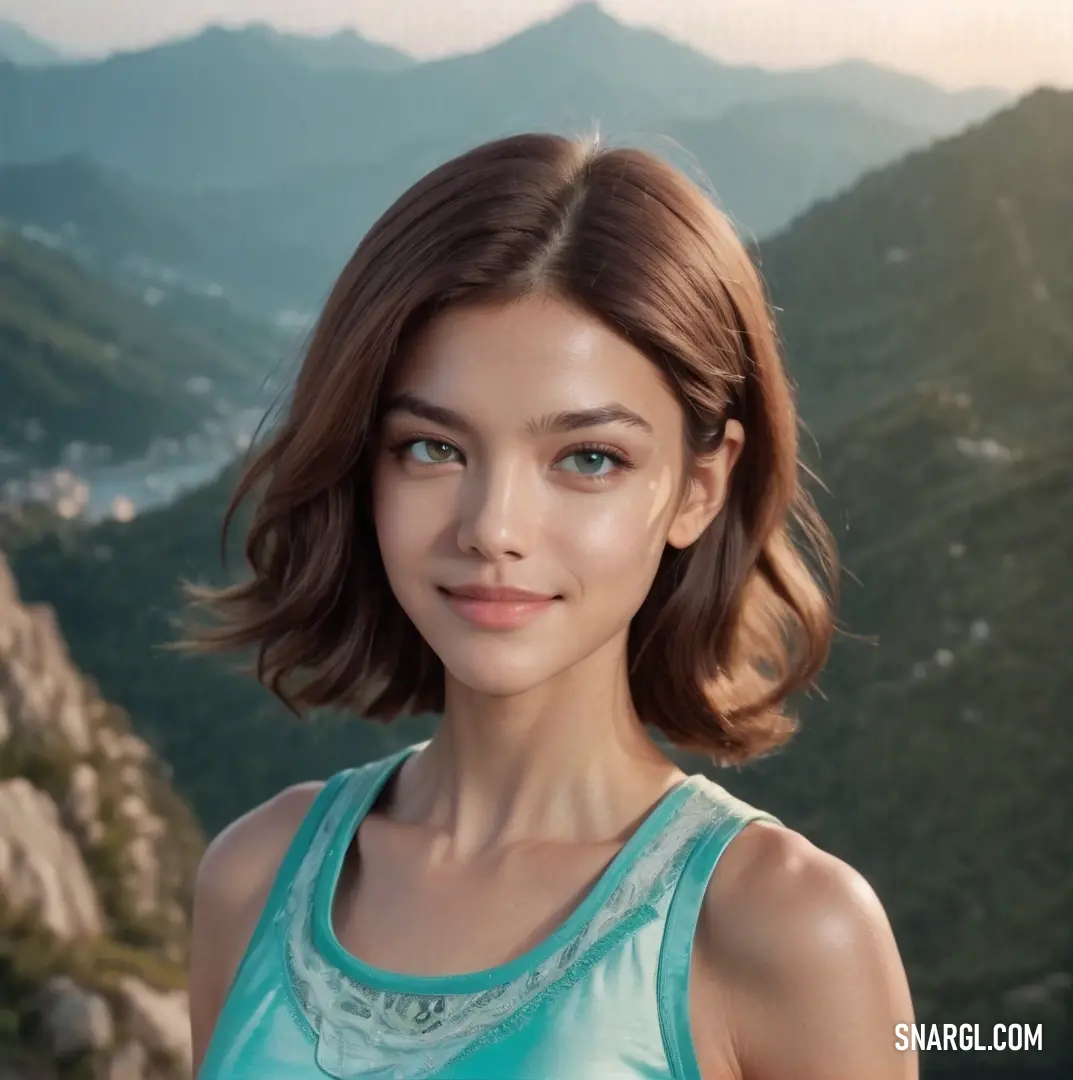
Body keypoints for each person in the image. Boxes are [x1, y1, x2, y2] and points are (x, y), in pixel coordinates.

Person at [183, 131, 917, 1080]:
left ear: (700, 487)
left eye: (588, 458)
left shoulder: (790, 936)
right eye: (431, 448)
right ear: (365, 465)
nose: (493, 527)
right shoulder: (248, 880)